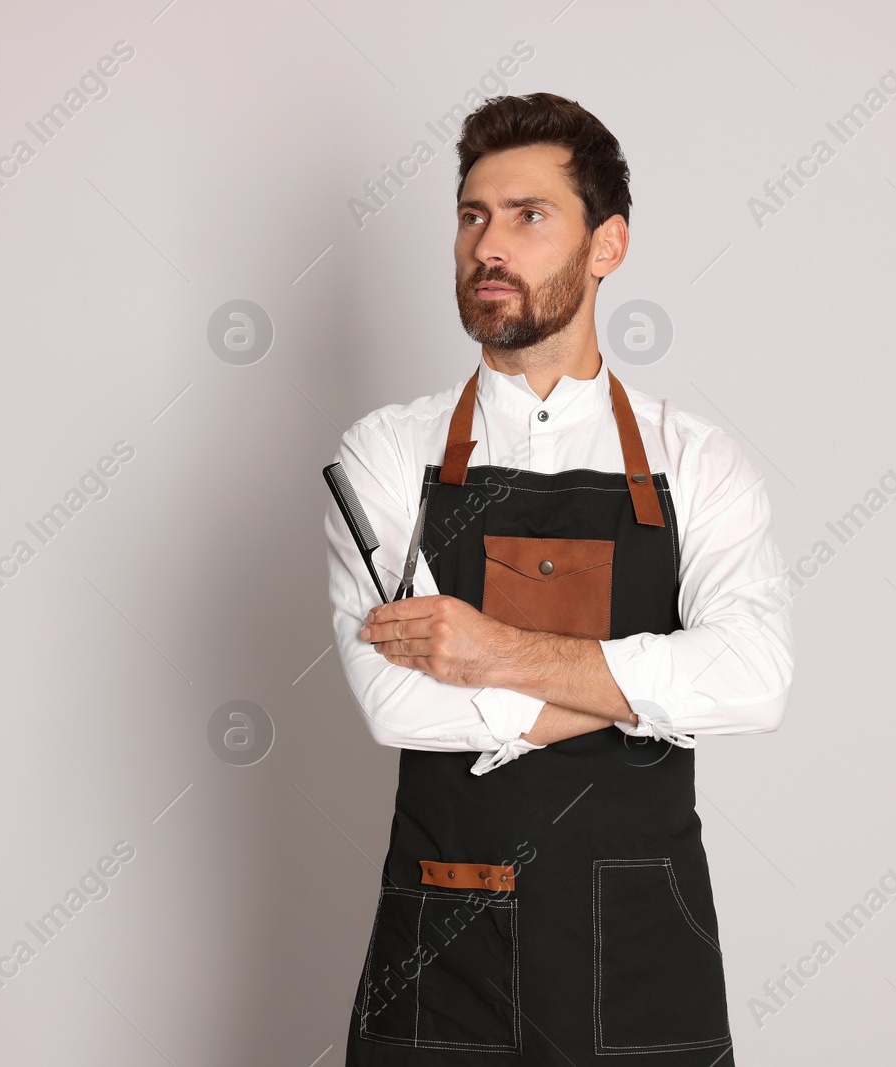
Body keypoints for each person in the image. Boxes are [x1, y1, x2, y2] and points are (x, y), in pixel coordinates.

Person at [324, 91, 794, 1065]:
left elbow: (755, 678)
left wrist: (493, 650)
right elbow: (397, 704)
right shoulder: (382, 454)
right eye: (471, 217)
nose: (487, 245)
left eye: (528, 216)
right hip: (442, 937)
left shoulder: (695, 459)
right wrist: (647, 689)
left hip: (641, 934)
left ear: (606, 246)